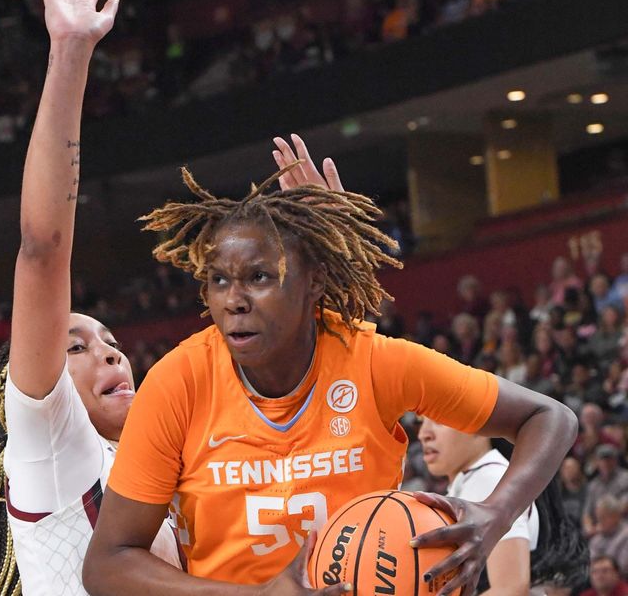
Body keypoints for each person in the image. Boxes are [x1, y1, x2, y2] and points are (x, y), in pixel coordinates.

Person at [83, 133, 578, 596]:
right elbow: (107, 564)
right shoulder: (178, 381)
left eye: (259, 276)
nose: (234, 300)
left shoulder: (373, 361)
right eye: (217, 280)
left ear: (314, 283)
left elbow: (550, 417)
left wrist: (496, 513)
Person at [0, 0, 180, 593]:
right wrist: (71, 52)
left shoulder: (150, 475)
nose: (111, 354)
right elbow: (43, 251)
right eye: (75, 347)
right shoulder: (54, 448)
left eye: (112, 342)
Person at [417, 420, 587, 593]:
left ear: (475, 423)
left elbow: (510, 589)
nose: (424, 434)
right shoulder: (474, 480)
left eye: (438, 421)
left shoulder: (489, 479)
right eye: (421, 421)